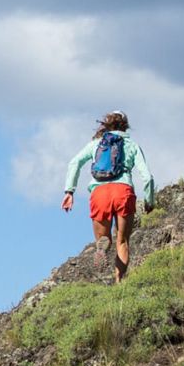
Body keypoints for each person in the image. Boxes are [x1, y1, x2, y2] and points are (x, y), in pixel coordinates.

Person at [62, 111, 156, 283]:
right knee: (123, 241)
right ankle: (119, 282)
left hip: (100, 193)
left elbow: (74, 162)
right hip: (123, 192)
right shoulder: (132, 144)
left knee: (104, 238)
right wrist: (149, 201)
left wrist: (69, 192)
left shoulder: (97, 144)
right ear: (125, 125)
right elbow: (147, 177)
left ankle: (102, 246)